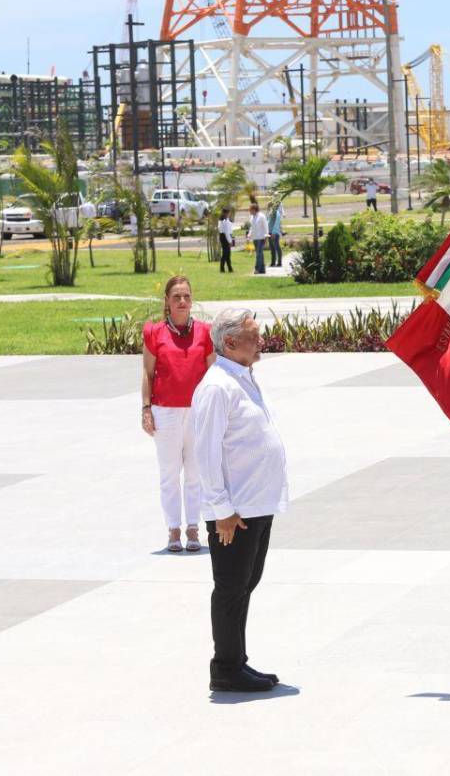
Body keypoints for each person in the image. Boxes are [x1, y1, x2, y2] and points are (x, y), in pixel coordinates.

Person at [192, 308, 290, 693]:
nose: (260, 340)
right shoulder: (217, 386)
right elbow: (206, 453)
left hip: (255, 504)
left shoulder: (242, 377)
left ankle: (238, 661)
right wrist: (222, 512)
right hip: (235, 512)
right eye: (253, 335)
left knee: (246, 584)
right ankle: (226, 668)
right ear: (229, 342)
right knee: (231, 586)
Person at [141, 276, 215, 553]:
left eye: (186, 296)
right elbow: (147, 373)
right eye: (176, 297)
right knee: (169, 473)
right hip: (165, 411)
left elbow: (212, 374)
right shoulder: (153, 333)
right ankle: (173, 529)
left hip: (197, 412)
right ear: (167, 302)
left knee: (195, 473)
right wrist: (146, 408)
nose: (182, 301)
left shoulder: (205, 332)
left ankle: (193, 528)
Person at [248, 202, 269, 274]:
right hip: (255, 238)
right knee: (260, 254)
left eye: (250, 210)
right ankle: (262, 269)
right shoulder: (251, 217)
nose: (249, 211)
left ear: (254, 209)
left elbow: (266, 226)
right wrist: (249, 235)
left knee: (258, 254)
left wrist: (266, 236)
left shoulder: (261, 216)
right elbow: (252, 227)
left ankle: (257, 269)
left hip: (261, 237)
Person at [267, 200, 285, 269]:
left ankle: (279, 262)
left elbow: (276, 223)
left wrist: (273, 232)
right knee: (272, 248)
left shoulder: (275, 212)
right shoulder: (271, 212)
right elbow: (268, 221)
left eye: (269, 206)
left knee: (277, 247)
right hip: (270, 232)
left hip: (274, 233)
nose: (268, 207)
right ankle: (273, 262)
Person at [217, 208, 235, 273]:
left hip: (223, 237)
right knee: (226, 254)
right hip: (225, 237)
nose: (229, 214)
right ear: (226, 213)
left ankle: (229, 268)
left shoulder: (222, 220)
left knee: (227, 254)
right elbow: (227, 232)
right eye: (228, 213)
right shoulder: (225, 221)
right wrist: (230, 241)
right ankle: (222, 268)